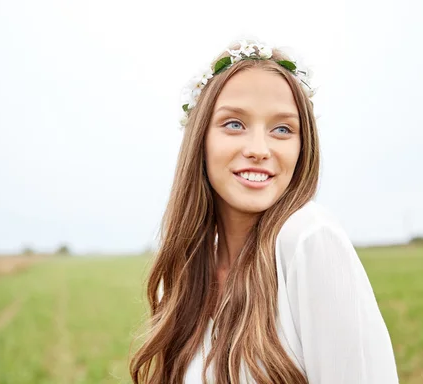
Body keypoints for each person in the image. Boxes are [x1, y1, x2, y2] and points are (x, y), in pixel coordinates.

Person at [129, 39, 399, 384]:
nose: (259, 149)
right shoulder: (185, 274)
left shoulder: (309, 239)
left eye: (282, 129)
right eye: (234, 124)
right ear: (200, 139)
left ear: (304, 147)